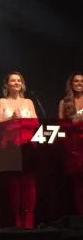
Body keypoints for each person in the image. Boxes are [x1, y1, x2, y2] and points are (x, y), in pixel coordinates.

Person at [0, 71, 38, 228]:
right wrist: (12, 118)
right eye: (13, 81)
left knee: (29, 183)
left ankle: (29, 221)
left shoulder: (29, 102)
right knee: (14, 184)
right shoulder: (2, 102)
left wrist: (24, 121)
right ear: (6, 84)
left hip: (27, 145)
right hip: (10, 147)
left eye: (19, 80)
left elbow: (36, 123)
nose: (16, 83)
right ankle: (16, 222)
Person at [58, 72, 83, 214]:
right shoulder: (64, 102)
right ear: (71, 84)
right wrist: (73, 122)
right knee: (76, 185)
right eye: (76, 81)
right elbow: (59, 125)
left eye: (82, 81)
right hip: (73, 146)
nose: (79, 84)